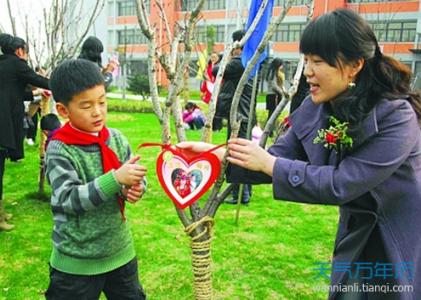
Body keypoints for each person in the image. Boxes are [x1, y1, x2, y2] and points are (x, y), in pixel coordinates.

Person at [178, 9, 421, 299]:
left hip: (398, 233)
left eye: (317, 61)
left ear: (355, 65)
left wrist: (271, 164)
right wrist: (217, 156)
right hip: (356, 231)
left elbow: (341, 183)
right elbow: (274, 158)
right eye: (306, 59)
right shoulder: (317, 106)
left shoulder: (397, 117)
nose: (307, 71)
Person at [45, 59, 147, 299]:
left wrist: (134, 188)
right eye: (86, 105)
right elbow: (69, 199)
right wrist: (115, 179)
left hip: (119, 253)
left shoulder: (117, 139)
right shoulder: (60, 149)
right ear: (63, 110)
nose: (98, 111)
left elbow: (129, 177)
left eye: (102, 101)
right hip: (76, 262)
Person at [0, 33, 49, 231]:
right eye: (25, 51)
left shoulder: (3, 65)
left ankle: (1, 211)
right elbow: (38, 79)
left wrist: (35, 94)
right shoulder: (17, 64)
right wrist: (61, 84)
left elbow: (13, 92)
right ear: (19, 50)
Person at [212, 29, 255, 205]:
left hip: (240, 115)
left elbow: (217, 70)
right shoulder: (251, 60)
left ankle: (241, 194)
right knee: (243, 153)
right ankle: (245, 191)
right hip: (245, 113)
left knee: (238, 155)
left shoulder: (240, 61)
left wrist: (226, 56)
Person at [265, 58, 286, 122]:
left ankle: (271, 129)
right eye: (281, 65)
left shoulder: (274, 71)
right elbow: (273, 85)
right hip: (274, 95)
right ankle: (269, 130)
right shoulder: (273, 72)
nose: (282, 67)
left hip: (273, 95)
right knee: (272, 114)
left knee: (273, 114)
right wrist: (281, 92)